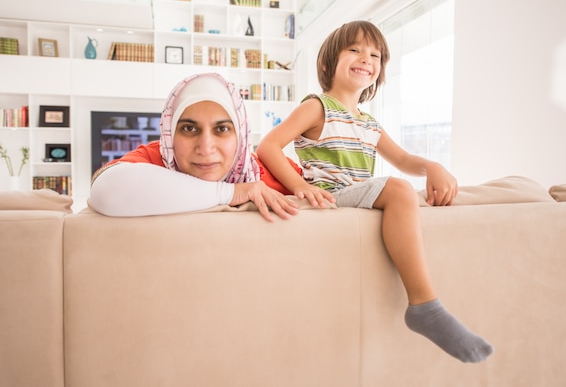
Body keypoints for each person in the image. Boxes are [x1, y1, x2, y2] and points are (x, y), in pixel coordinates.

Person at [256, 20, 493, 363]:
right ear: (327, 63)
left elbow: (402, 158)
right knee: (398, 189)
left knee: (401, 188)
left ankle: (426, 306)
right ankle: (425, 306)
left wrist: (432, 168)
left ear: (379, 70)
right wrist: (300, 186)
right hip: (331, 194)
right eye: (354, 49)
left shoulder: (369, 123)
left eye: (375, 54)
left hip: (357, 194)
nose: (365, 57)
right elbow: (268, 146)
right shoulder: (317, 106)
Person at [88, 72, 300, 222]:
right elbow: (105, 191)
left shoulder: (275, 170)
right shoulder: (155, 158)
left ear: (241, 135)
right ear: (170, 133)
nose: (206, 148)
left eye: (222, 129)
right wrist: (231, 193)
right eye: (189, 129)